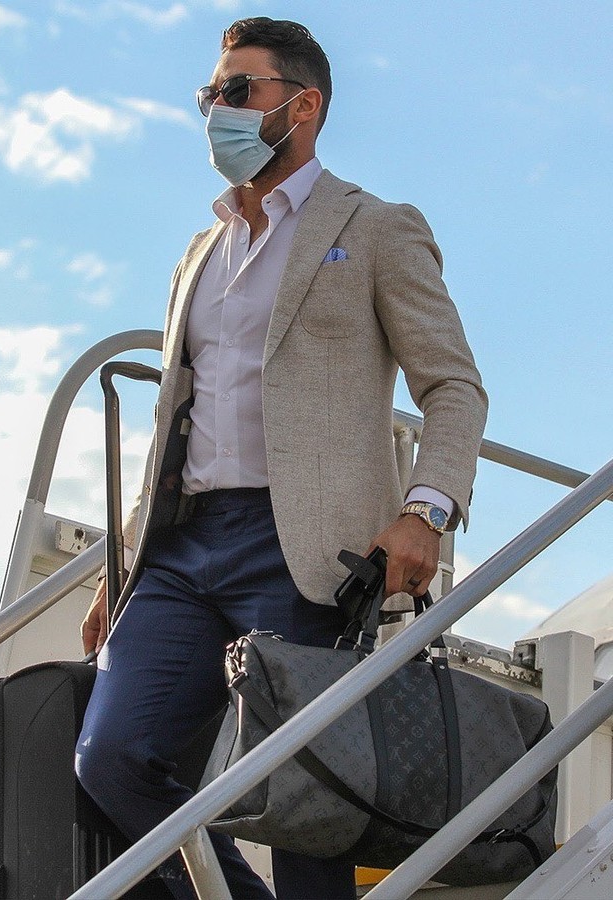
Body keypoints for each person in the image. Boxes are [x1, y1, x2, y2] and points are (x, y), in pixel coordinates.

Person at [76, 16, 488, 900]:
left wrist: (426, 510)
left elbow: (454, 387)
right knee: (113, 756)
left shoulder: (375, 227)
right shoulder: (200, 254)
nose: (216, 111)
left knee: (308, 810)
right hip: (183, 550)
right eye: (209, 94)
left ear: (303, 106)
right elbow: (174, 424)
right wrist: (126, 561)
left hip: (303, 548)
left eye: (237, 91)